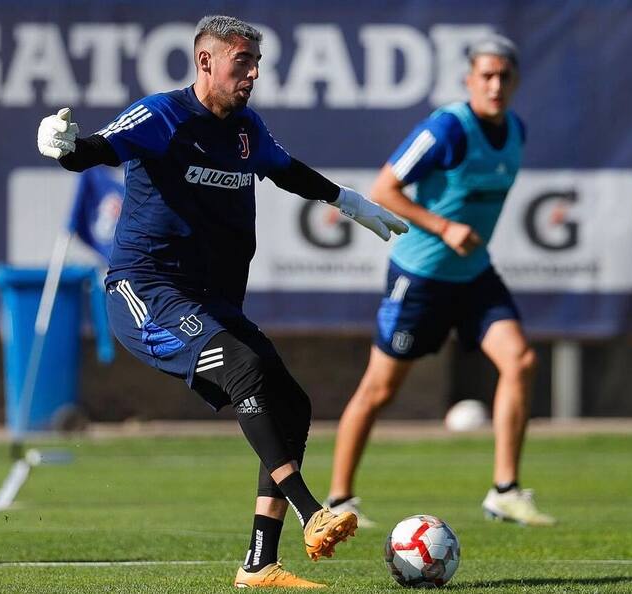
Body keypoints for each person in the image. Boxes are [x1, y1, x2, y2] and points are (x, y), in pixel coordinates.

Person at [37, 15, 407, 588]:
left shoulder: (247, 129)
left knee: (293, 406)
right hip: (147, 291)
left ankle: (260, 564)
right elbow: (98, 148)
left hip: (212, 301)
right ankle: (315, 513)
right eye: (243, 62)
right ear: (206, 61)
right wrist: (64, 148)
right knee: (246, 370)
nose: (254, 73)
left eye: (258, 64)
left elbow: (286, 172)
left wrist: (348, 200)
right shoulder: (162, 115)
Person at [325, 35, 556, 528]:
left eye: (504, 76)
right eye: (486, 75)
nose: (495, 85)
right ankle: (339, 501)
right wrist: (445, 226)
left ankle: (505, 491)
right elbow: (384, 189)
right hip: (420, 276)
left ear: (515, 82)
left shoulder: (516, 129)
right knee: (381, 389)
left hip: (473, 276)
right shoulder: (447, 129)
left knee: (521, 360)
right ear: (470, 79)